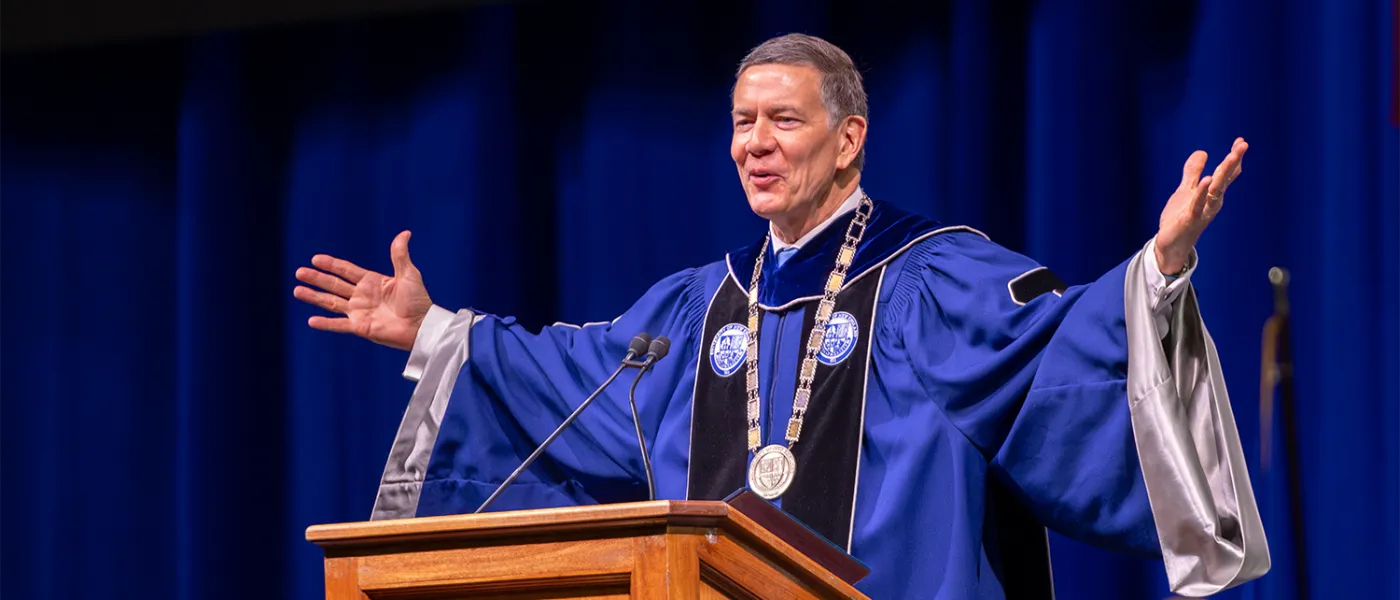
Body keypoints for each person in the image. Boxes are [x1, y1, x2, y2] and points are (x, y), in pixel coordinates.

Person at [293, 33, 1268, 599]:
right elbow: (570, 380)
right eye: (739, 122)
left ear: (849, 140)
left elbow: (1060, 352)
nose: (753, 144)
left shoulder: (931, 281)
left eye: (781, 121)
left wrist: (1160, 263)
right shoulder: (696, 308)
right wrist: (431, 331)